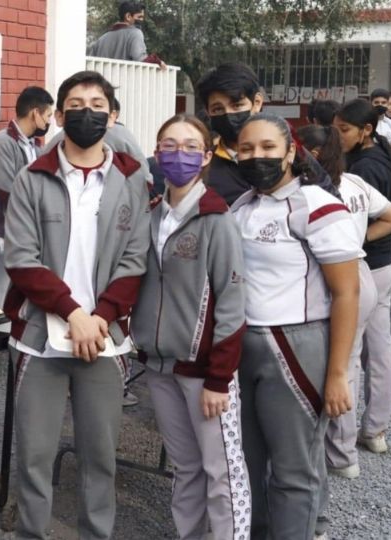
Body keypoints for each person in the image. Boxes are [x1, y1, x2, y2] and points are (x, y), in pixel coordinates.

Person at [4, 70, 149, 539]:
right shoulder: (32, 177)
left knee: (99, 456)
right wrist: (74, 314)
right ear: (60, 116)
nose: (88, 111)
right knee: (34, 455)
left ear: (113, 114)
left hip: (104, 340)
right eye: (76, 104)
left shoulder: (132, 180)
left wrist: (100, 318)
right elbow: (21, 261)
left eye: (97, 103)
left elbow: (135, 261)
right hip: (39, 340)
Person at [232, 113, 360, 540]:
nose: (256, 156)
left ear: (290, 152)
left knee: (293, 468)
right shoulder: (241, 205)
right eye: (246, 149)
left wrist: (339, 374)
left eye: (268, 148)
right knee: (247, 462)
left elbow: (347, 294)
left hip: (295, 346)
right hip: (242, 346)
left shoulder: (317, 205)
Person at [130, 115, 250, 540]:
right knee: (185, 467)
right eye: (168, 145)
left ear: (204, 157)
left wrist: (219, 377)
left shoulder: (217, 220)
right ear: (157, 153)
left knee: (222, 471)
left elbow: (233, 305)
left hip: (205, 373)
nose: (177, 154)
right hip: (160, 367)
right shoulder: (149, 214)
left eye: (189, 146)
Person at [333, 99, 391, 456]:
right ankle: (375, 430)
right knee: (380, 349)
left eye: (343, 130)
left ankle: (343, 448)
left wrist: (357, 237)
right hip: (386, 265)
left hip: (368, 267)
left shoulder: (364, 168)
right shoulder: (385, 156)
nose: (337, 137)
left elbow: (389, 217)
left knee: (349, 354)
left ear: (366, 131)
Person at [197, 62, 335, 206]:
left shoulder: (289, 151)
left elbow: (329, 198)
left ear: (257, 102)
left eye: (237, 105)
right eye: (218, 109)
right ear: (208, 112)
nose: (229, 114)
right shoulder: (205, 167)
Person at [0, 86, 54, 238]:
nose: (49, 121)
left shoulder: (34, 144)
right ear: (35, 113)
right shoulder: (2, 142)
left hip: (30, 227)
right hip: (5, 230)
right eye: (48, 115)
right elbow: (7, 191)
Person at [87, 1, 166, 67]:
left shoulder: (102, 38)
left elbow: (89, 63)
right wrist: (157, 61)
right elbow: (141, 60)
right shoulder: (135, 33)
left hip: (102, 84)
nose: (142, 20)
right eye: (139, 17)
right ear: (128, 16)